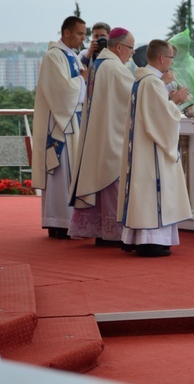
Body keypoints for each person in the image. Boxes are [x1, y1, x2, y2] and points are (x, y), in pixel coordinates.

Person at [117, 39, 193, 257]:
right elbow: (161, 118)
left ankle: (148, 239)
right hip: (151, 150)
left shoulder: (145, 80)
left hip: (145, 146)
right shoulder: (151, 82)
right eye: (170, 57)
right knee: (154, 192)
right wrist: (176, 101)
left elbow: (153, 112)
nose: (171, 62)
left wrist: (168, 99)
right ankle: (151, 241)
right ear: (161, 58)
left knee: (147, 193)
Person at [68, 27, 136, 246]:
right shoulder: (116, 69)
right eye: (131, 48)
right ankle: (113, 234)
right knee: (113, 183)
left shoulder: (99, 65)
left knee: (102, 181)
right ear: (119, 47)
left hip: (99, 134)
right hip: (113, 136)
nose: (132, 53)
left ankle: (101, 232)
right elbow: (135, 100)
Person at [32, 16, 87, 239]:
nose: (84, 38)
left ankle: (69, 220)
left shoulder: (71, 55)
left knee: (70, 173)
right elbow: (62, 91)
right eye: (80, 33)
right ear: (66, 33)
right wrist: (83, 80)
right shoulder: (54, 56)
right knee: (60, 173)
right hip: (60, 125)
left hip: (73, 121)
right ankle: (57, 221)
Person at [168, 28, 194, 109]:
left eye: (174, 49)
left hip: (191, 109)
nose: (171, 52)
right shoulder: (168, 65)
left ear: (182, 49)